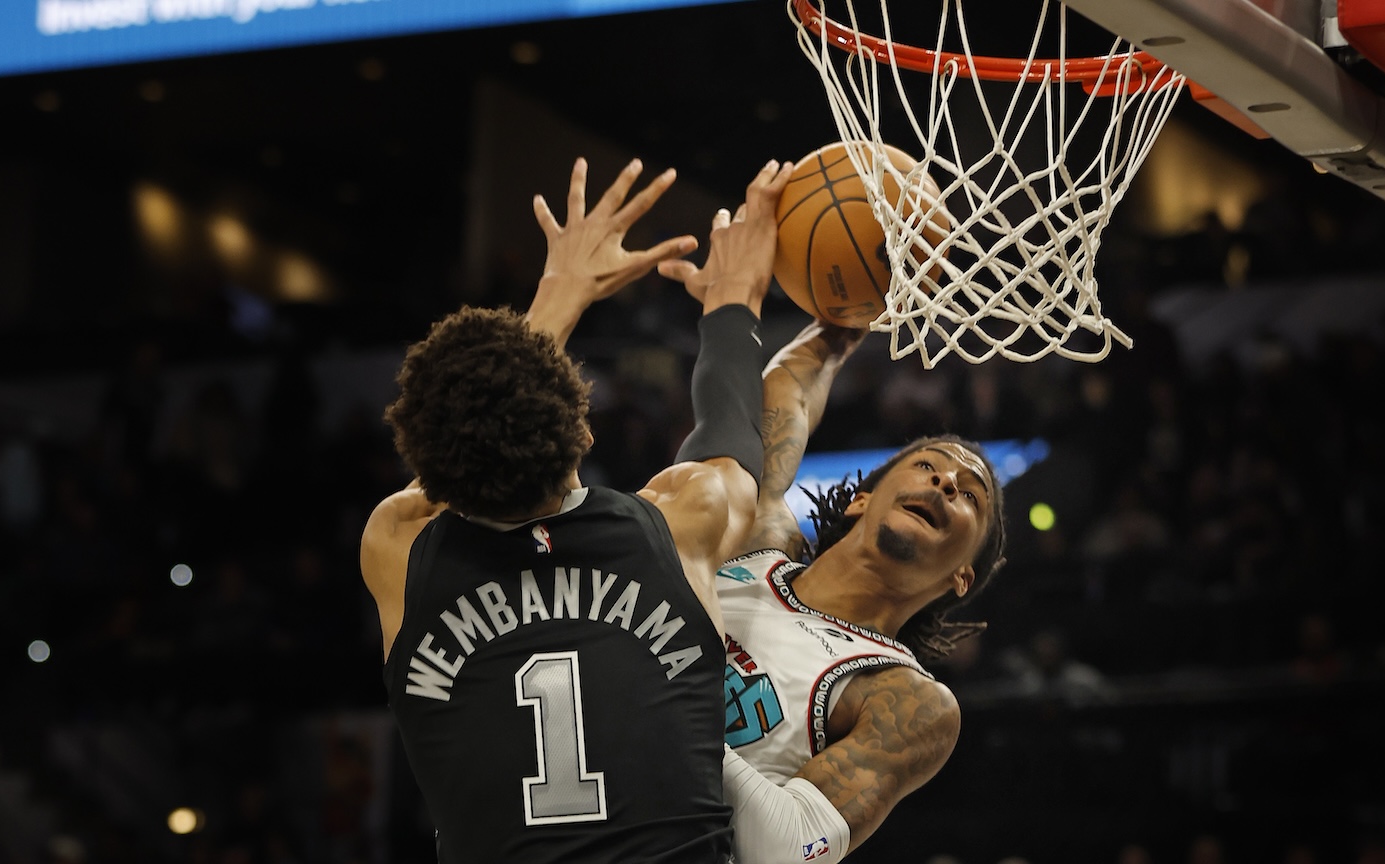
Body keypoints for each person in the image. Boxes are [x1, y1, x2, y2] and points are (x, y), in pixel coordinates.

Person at [360, 155, 794, 863]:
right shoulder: (677, 525)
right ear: (585, 431)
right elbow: (730, 439)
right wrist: (733, 304)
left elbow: (438, 463)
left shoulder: (399, 549)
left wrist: (557, 295)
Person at [706, 321, 1010, 863]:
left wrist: (658, 691)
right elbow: (787, 394)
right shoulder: (761, 536)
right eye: (926, 466)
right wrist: (837, 326)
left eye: (970, 495)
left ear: (962, 575)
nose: (944, 483)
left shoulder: (908, 699)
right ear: (861, 501)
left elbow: (786, 849)